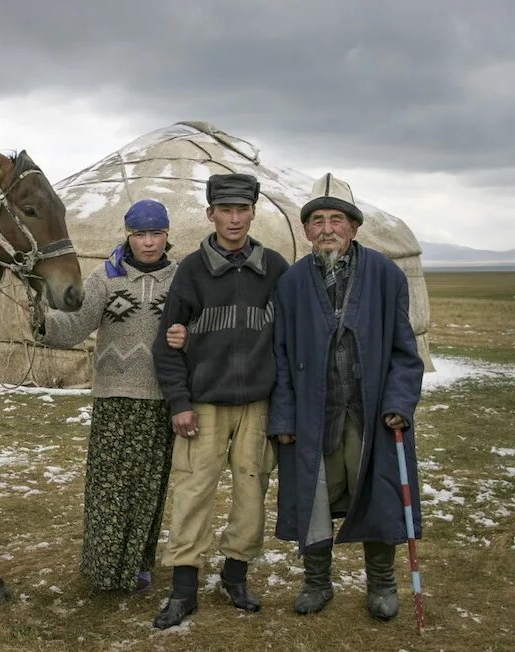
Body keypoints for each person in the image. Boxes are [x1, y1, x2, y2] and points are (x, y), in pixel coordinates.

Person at [268, 173, 424, 620]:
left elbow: (403, 351)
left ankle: (381, 584)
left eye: (337, 219)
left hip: (370, 414)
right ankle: (317, 582)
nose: (327, 228)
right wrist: (283, 419)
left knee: (378, 494)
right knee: (313, 499)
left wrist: (398, 403)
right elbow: (280, 355)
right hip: (312, 415)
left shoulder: (385, 275)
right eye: (317, 220)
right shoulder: (292, 283)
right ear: (306, 230)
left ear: (354, 227)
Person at [151, 173, 289, 628]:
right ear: (210, 214)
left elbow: (290, 340)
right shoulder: (191, 270)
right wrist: (179, 403)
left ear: (253, 212)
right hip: (204, 402)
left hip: (257, 403)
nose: (234, 219)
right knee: (193, 490)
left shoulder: (275, 268)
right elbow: (166, 345)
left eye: (242, 209)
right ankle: (184, 589)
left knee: (253, 490)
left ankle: (235, 575)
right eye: (225, 210)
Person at [35, 199, 176, 593]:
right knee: (109, 489)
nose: (148, 243)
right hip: (114, 399)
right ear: (128, 236)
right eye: (139, 234)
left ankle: (139, 565)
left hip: (160, 401)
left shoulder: (182, 279)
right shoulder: (106, 277)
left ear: (167, 235)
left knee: (149, 489)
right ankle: (104, 569)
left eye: (156, 234)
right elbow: (75, 325)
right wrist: (42, 321)